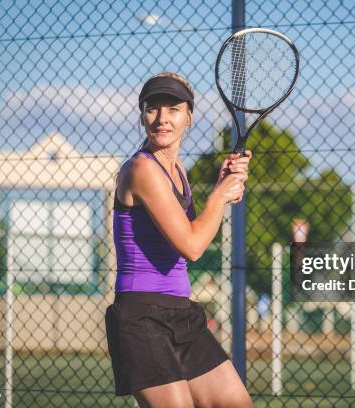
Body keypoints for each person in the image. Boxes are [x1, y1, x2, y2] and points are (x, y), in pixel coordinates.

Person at [105, 71, 255, 408]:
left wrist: (222, 187)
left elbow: (192, 232)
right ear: (142, 113)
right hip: (142, 316)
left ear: (189, 115)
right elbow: (192, 246)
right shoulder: (141, 169)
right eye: (151, 108)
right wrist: (220, 194)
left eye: (172, 109)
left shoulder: (177, 169)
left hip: (180, 312)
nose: (161, 119)